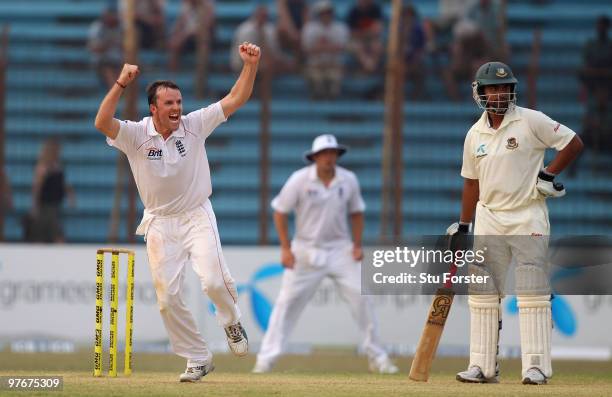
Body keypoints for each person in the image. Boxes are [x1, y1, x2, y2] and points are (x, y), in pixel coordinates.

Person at [94, 42, 261, 382]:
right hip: (159, 223)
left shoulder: (195, 124)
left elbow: (236, 99)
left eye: (179, 102)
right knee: (167, 300)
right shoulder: (136, 134)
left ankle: (231, 322)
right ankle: (197, 357)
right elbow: (101, 122)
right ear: (153, 108)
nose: (176, 108)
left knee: (214, 281)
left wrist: (250, 66)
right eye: (169, 103)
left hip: (196, 214)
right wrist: (121, 83)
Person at [452, 61, 583, 385]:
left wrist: (548, 174)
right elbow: (471, 183)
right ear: (480, 93)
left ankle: (535, 367)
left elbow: (573, 142)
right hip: (489, 217)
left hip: (527, 214)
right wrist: (464, 225)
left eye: (504, 87)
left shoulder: (530, 120)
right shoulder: (474, 134)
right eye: (493, 88)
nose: (499, 93)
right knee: (482, 291)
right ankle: (482, 367)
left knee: (531, 289)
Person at [253, 134, 399, 374]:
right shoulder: (300, 180)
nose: (329, 157)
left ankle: (378, 358)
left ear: (337, 155)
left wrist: (357, 244)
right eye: (324, 153)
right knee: (285, 304)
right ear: (315, 157)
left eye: (333, 153)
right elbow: (279, 211)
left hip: (340, 250)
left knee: (363, 299)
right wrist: (285, 248)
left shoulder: (348, 179)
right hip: (305, 250)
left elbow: (357, 212)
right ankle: (265, 360)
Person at [28, 139, 75, 243]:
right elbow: (37, 188)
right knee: (47, 233)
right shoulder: (43, 167)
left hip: (55, 204)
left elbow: (63, 183)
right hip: (45, 205)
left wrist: (71, 195)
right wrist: (34, 206)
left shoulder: (58, 166)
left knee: (52, 232)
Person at [301, 1, 349, 99]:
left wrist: (320, 47)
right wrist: (329, 47)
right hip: (315, 64)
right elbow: (306, 49)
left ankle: (331, 101)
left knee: (335, 79)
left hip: (334, 64)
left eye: (328, 12)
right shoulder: (310, 28)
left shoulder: (340, 28)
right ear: (318, 14)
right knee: (316, 79)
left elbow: (341, 48)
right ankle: (318, 99)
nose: (326, 15)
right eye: (323, 13)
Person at [168, 0, 215, 72]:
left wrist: (189, 33)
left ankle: (201, 77)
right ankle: (173, 75)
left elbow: (206, 27)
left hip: (203, 38)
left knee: (203, 43)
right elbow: (179, 25)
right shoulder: (185, 7)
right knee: (174, 42)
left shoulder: (207, 7)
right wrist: (179, 35)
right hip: (188, 37)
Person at [87, 7, 122, 88]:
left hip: (119, 60)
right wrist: (109, 43)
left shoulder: (121, 27)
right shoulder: (97, 27)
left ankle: (123, 94)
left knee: (128, 68)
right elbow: (93, 48)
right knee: (108, 70)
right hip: (102, 60)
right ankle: (117, 94)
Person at [346, 0, 384, 74]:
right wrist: (368, 31)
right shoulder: (353, 11)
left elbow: (378, 29)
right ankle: (369, 67)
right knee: (358, 46)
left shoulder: (375, 9)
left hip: (371, 38)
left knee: (377, 46)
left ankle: (370, 67)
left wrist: (363, 32)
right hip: (357, 40)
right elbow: (352, 33)